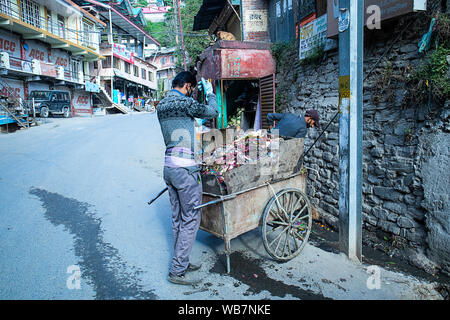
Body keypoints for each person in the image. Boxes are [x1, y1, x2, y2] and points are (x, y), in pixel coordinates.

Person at [157, 71, 218, 286]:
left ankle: (180, 261)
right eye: (192, 90)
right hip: (185, 169)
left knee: (177, 218)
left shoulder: (162, 105)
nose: (192, 93)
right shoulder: (185, 103)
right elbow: (212, 111)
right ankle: (177, 271)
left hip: (169, 167)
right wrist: (210, 93)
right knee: (191, 218)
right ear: (188, 86)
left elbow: (181, 124)